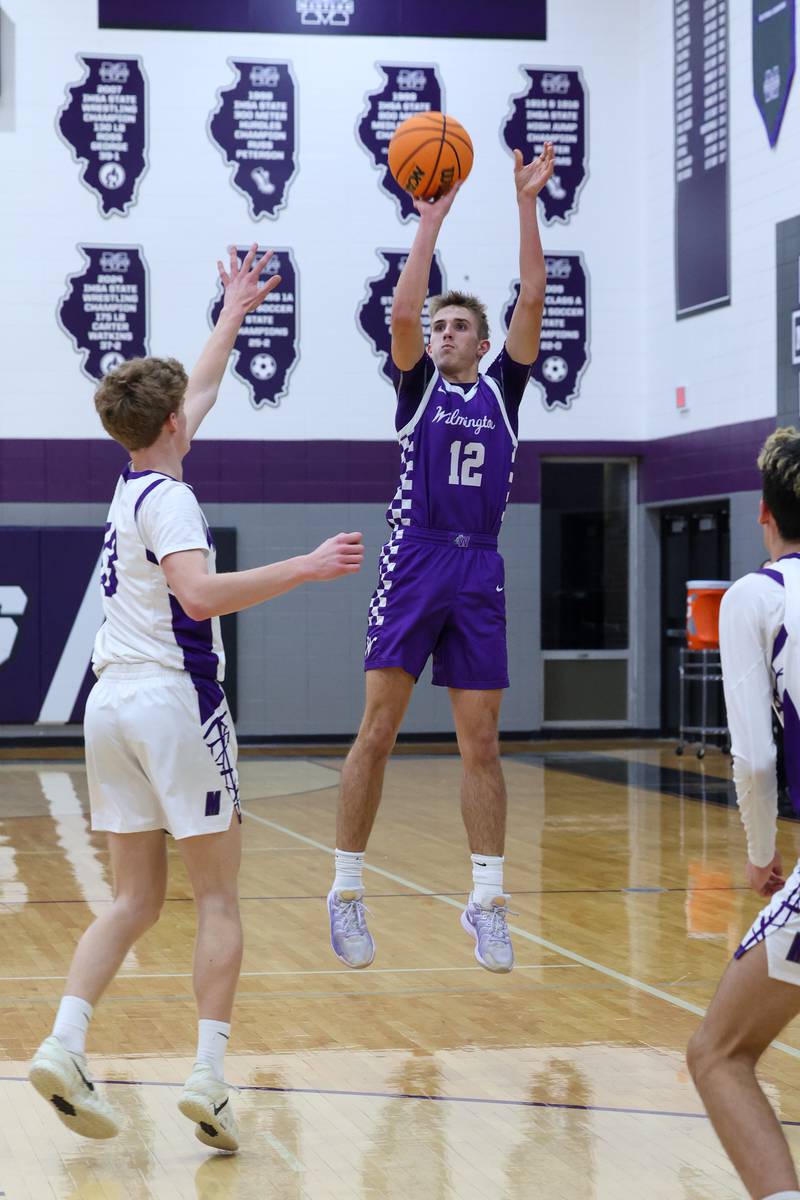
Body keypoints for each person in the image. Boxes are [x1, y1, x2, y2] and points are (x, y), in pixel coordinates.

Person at [28, 245, 364, 1151]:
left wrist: (231, 311)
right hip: (175, 705)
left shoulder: (130, 480)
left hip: (108, 708)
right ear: (174, 423)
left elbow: (200, 389)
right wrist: (304, 566)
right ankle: (210, 1080)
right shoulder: (170, 501)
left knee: (134, 901)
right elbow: (201, 598)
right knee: (218, 899)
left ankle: (64, 1041)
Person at [327, 143, 555, 973]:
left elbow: (533, 293)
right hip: (417, 561)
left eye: (461, 326)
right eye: (440, 326)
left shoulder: (504, 392)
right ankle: (346, 888)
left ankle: (487, 900)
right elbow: (400, 317)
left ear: (485, 341)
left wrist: (526, 204)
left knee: (483, 744)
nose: (446, 332)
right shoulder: (417, 386)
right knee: (379, 730)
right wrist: (428, 226)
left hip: (480, 566)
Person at [688, 427, 800, 1200]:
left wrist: (761, 854)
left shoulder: (757, 594)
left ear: (765, 515)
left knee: (717, 1053)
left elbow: (755, 758)